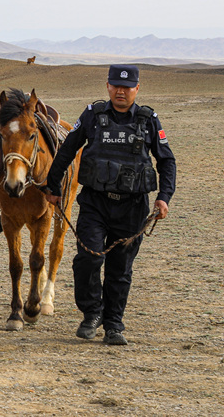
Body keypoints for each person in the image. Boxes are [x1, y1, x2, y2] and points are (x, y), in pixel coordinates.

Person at [44, 65, 176, 346]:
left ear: (137, 89)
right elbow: (68, 149)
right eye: (116, 85)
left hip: (133, 207)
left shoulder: (148, 120)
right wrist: (52, 186)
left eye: (127, 87)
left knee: (120, 267)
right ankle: (92, 312)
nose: (121, 91)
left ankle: (114, 324)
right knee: (88, 259)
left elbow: (166, 160)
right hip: (95, 203)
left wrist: (164, 197)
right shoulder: (93, 115)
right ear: (107, 86)